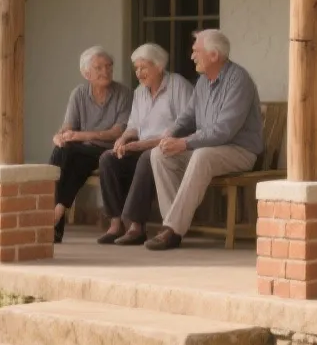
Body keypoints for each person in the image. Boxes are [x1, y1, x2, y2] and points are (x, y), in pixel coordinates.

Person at [145, 29, 263, 251]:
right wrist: (169, 135)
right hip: (210, 148)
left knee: (201, 155)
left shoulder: (239, 80)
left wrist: (184, 142)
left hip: (239, 151)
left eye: (196, 51)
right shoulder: (202, 82)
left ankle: (173, 229)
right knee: (159, 154)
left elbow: (224, 131)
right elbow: (187, 117)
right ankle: (173, 227)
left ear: (214, 55)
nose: (191, 57)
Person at [95, 43, 194, 245]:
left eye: (143, 68)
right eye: (136, 68)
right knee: (108, 159)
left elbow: (185, 127)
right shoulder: (140, 92)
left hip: (170, 150)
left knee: (147, 157)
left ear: (158, 66)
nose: (139, 73)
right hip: (143, 148)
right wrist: (123, 139)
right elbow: (133, 126)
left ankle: (136, 226)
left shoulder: (178, 85)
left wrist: (143, 145)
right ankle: (115, 224)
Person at [48, 46, 130, 243]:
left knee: (69, 157)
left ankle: (55, 218)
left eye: (108, 67)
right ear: (86, 73)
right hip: (82, 152)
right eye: (99, 68)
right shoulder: (79, 94)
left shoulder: (123, 94)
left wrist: (77, 135)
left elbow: (117, 132)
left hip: (109, 150)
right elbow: (68, 127)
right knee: (62, 151)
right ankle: (58, 212)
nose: (106, 71)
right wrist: (60, 136)